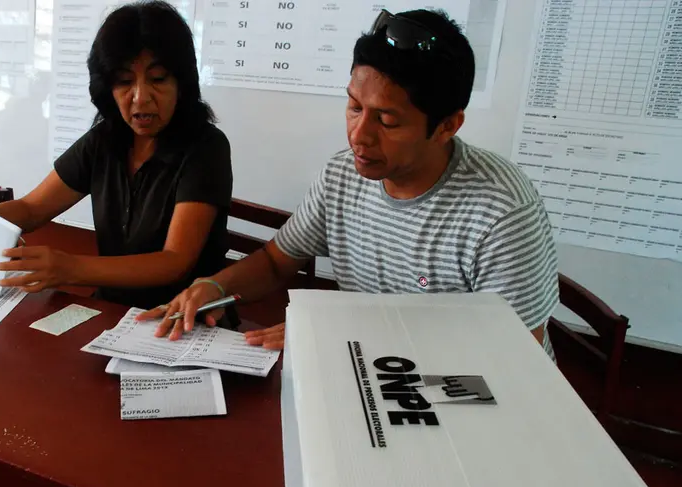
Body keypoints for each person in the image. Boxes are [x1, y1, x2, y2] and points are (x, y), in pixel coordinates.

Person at [142, 9, 559, 358]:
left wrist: (345, 339)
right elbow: (276, 262)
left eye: (387, 120)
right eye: (354, 106)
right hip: (369, 367)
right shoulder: (343, 175)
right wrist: (214, 285)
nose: (359, 135)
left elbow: (515, 350)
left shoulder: (501, 211)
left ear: (448, 125)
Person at [0, 1, 233, 311]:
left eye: (158, 79)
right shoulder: (105, 140)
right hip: (112, 310)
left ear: (182, 83)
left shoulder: (206, 147)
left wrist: (69, 267)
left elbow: (174, 261)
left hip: (184, 316)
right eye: (124, 81)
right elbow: (33, 208)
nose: (140, 97)